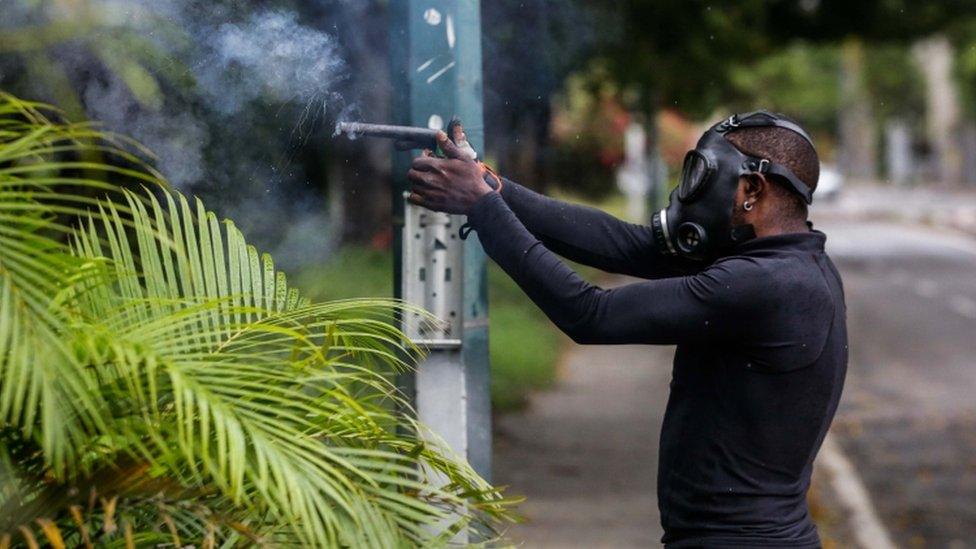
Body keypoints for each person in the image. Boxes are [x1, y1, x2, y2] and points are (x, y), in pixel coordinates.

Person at [407, 111, 847, 548]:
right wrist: (488, 184)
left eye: (705, 179)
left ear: (752, 189)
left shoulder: (762, 283)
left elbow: (590, 313)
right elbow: (622, 243)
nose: (692, 193)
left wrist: (483, 208)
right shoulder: (787, 264)